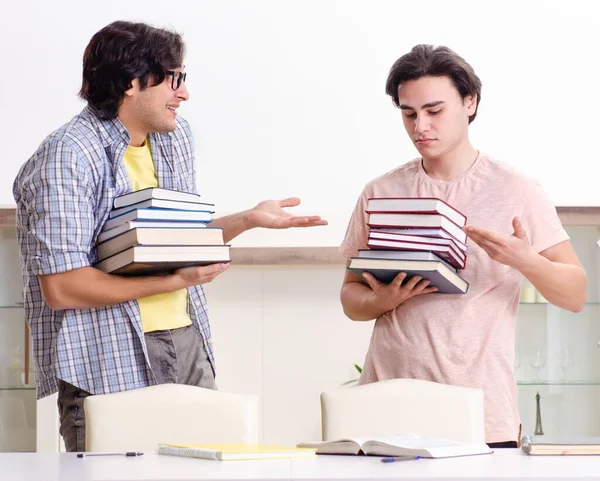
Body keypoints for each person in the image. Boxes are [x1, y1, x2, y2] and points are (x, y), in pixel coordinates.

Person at [13, 20, 327, 452]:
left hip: (186, 338)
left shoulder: (173, 139)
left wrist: (246, 219)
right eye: (174, 79)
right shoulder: (67, 157)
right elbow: (63, 287)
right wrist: (173, 281)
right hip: (106, 351)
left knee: (203, 466)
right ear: (130, 83)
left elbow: (174, 241)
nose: (184, 93)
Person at [339, 44, 586, 447]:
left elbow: (575, 294)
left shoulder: (516, 189)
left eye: (434, 111)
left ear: (469, 102)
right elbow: (350, 298)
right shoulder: (380, 192)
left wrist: (525, 260)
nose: (421, 126)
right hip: (386, 407)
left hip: (481, 414)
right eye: (409, 113)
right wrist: (381, 301)